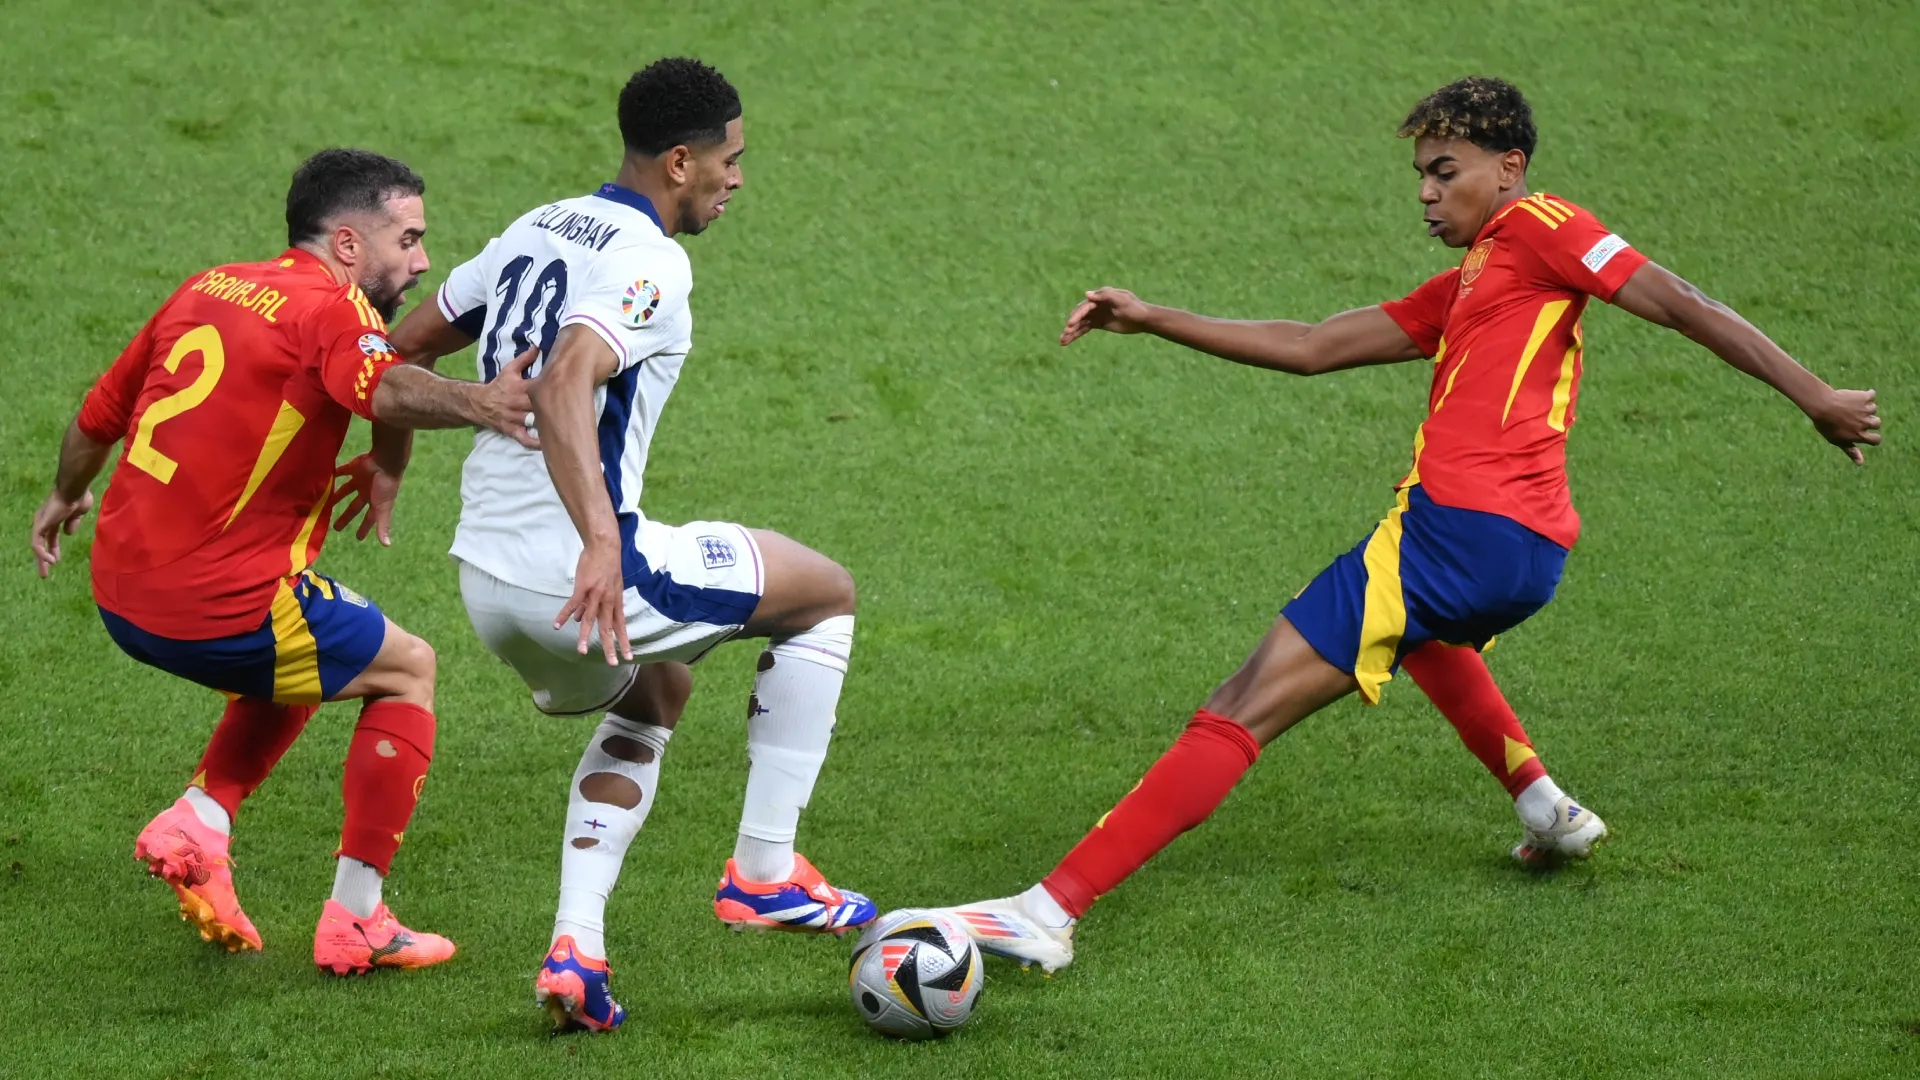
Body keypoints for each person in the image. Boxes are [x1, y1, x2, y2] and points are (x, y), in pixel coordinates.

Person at [936, 76, 1881, 973]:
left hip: (1460, 533)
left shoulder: (1545, 225)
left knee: (1243, 701)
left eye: (1447, 171)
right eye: (1421, 175)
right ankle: (1544, 804)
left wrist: (1814, 396)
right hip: (1520, 549)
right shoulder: (1471, 282)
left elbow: (1679, 301)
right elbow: (1312, 348)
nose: (1428, 194)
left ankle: (1049, 911)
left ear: (1508, 166)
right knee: (1419, 637)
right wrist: (1152, 318)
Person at [383, 57, 875, 1032]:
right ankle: (764, 872)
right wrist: (603, 546)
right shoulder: (653, 261)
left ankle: (578, 950)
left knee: (662, 689)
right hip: (582, 575)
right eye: (729, 161)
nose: (736, 179)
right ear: (681, 161)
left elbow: (397, 350)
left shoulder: (538, 224)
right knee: (825, 594)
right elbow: (569, 380)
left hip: (486, 585)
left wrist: (388, 464)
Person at [28, 148, 540, 975]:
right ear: (346, 243)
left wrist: (61, 497)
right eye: (407, 240)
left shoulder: (209, 286)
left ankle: (203, 817)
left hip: (120, 590)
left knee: (322, 643)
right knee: (407, 669)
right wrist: (480, 403)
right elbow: (388, 385)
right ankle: (358, 920)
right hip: (213, 605)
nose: (421, 262)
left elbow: (99, 417)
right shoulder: (335, 315)